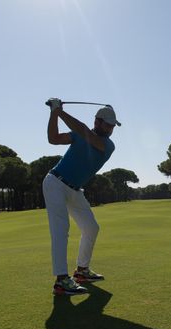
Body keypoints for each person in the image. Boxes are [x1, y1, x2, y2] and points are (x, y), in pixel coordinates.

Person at [43, 98, 121, 296]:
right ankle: (61, 280)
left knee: (91, 228)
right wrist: (54, 113)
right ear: (98, 121)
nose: (111, 129)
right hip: (55, 183)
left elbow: (85, 132)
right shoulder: (78, 135)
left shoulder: (107, 145)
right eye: (108, 125)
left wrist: (60, 111)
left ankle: (82, 271)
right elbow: (53, 138)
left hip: (75, 190)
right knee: (61, 229)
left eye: (113, 126)